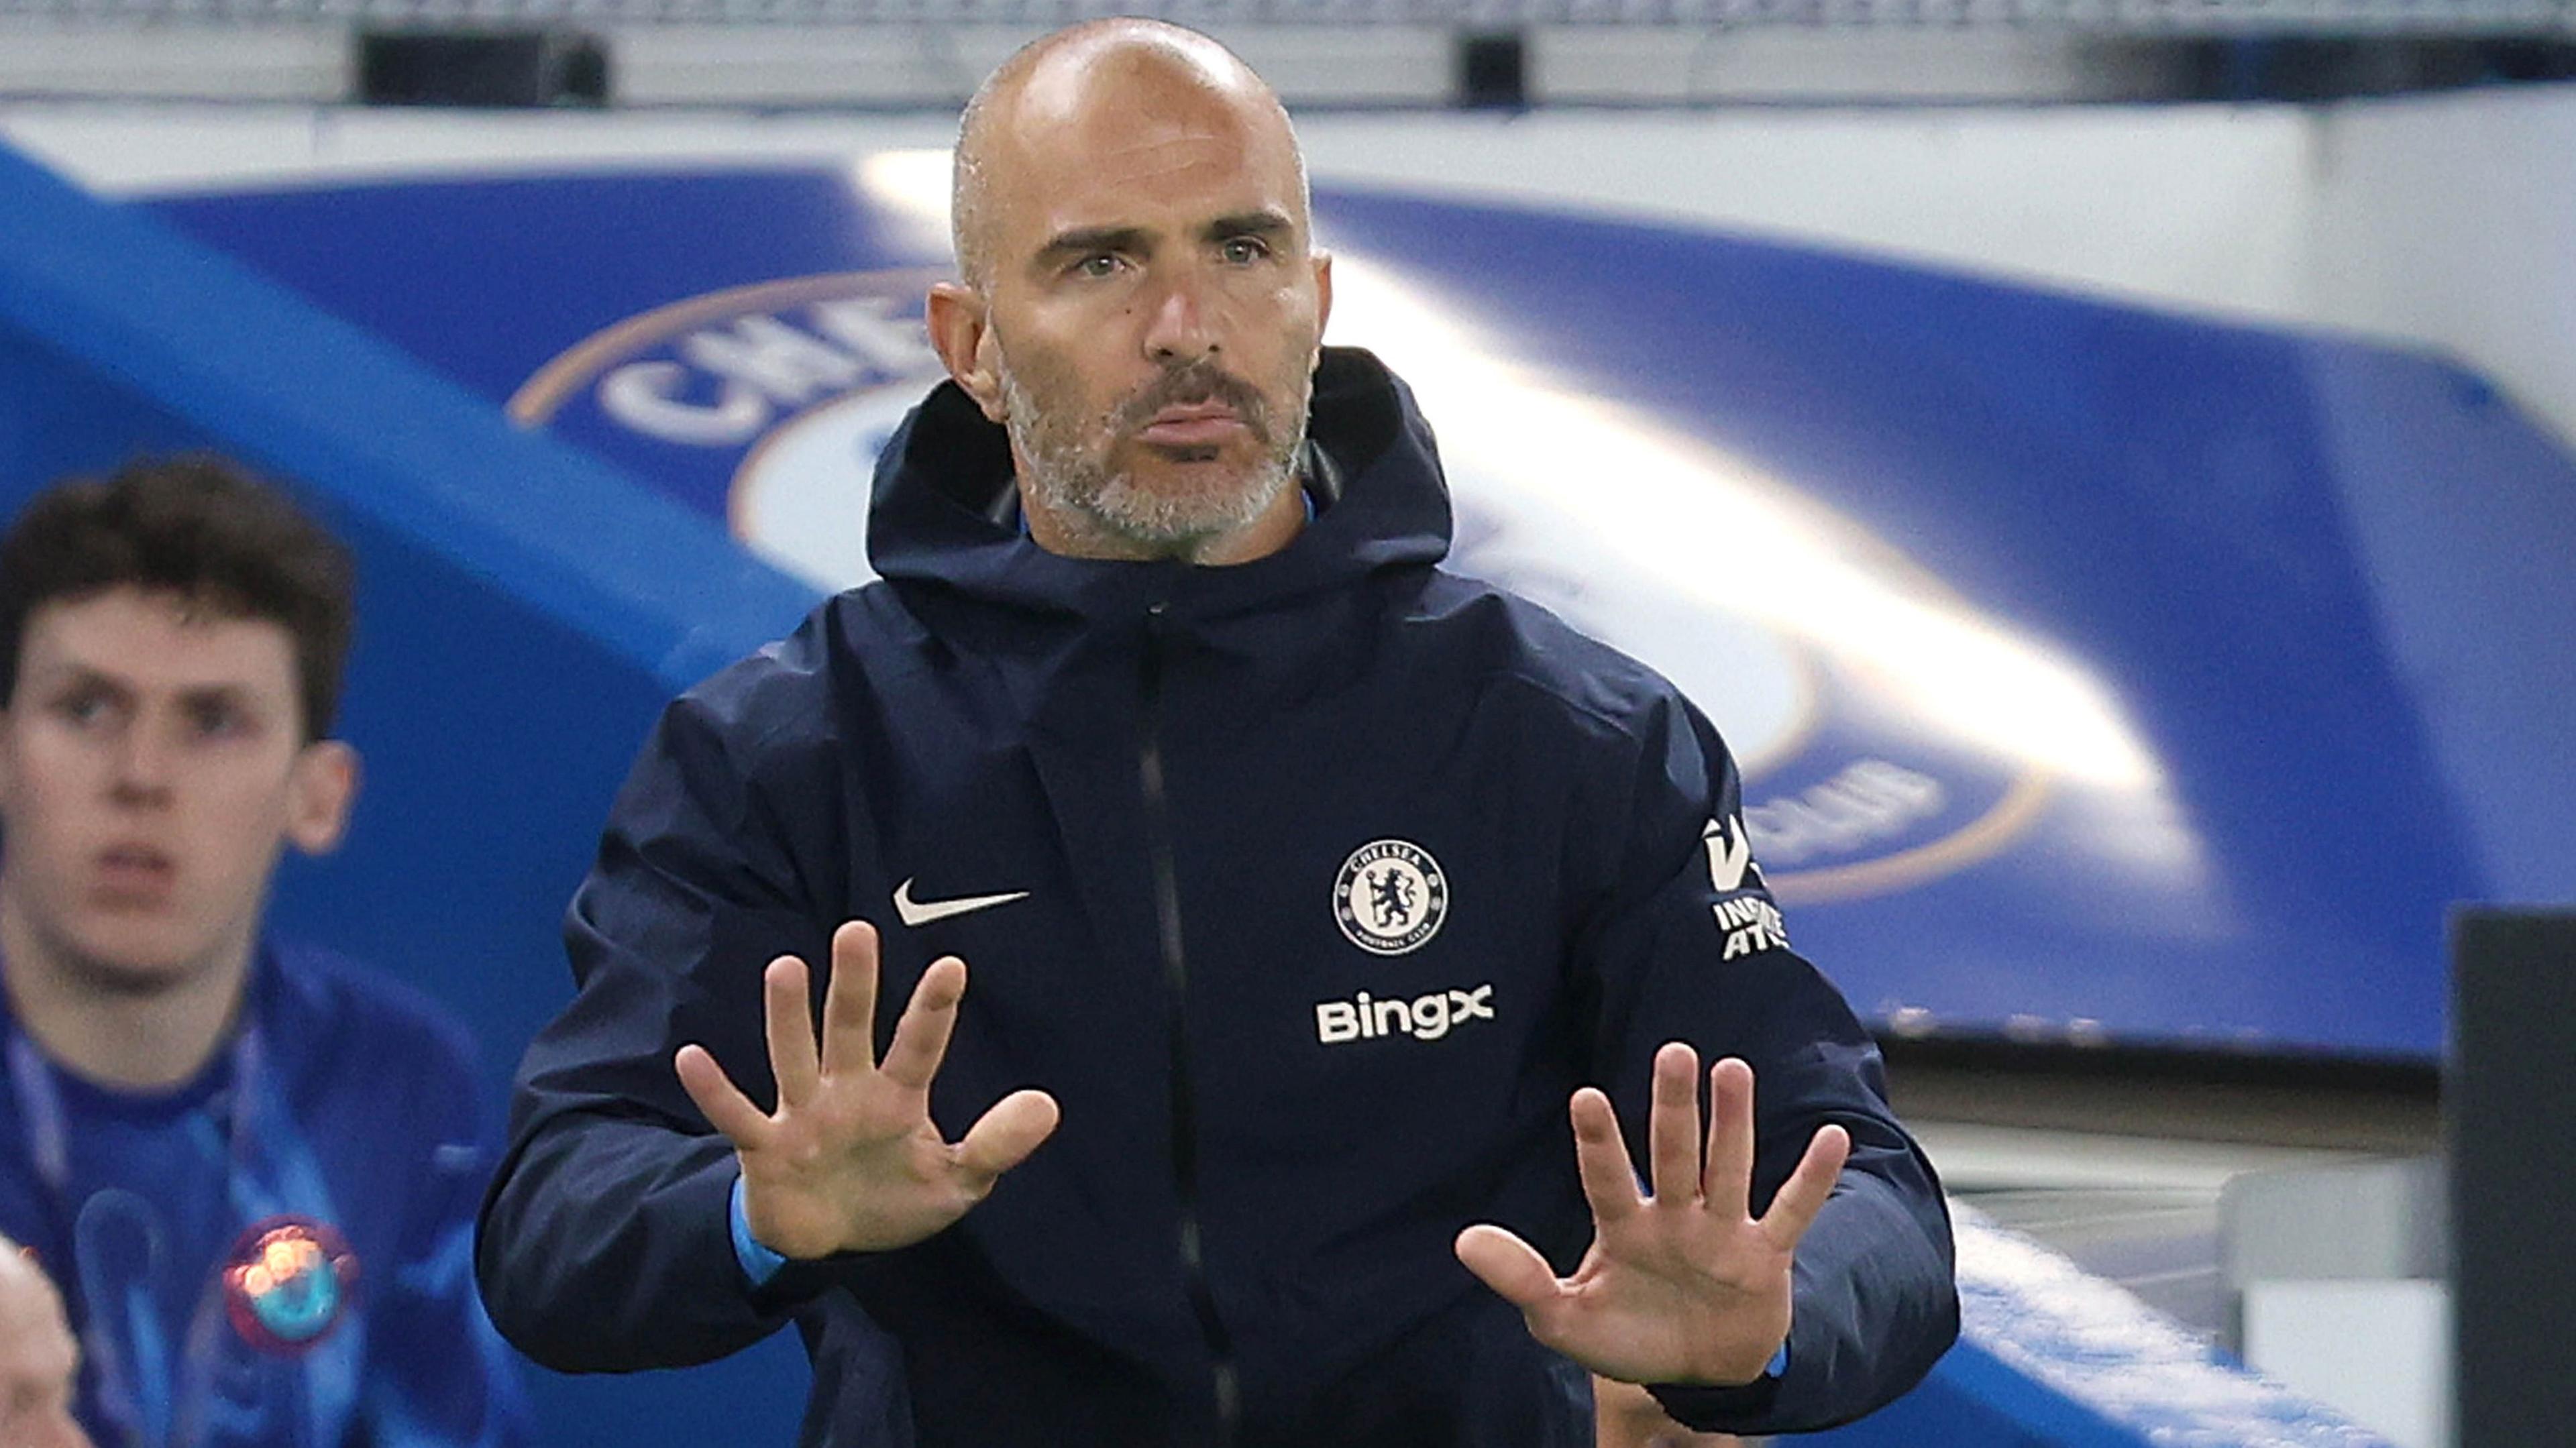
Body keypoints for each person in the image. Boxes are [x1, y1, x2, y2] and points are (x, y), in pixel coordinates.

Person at [476, 19, 1958, 1447]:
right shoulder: (793, 755)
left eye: (1240, 251)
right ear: (973, 347)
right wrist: (757, 1218)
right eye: (1103, 262)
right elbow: (553, 1221)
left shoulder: (1571, 742)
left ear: (1313, 297)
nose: (1187, 331)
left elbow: (1873, 1200)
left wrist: (1770, 1329)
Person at [0, 457, 529, 1448]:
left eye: (213, 722)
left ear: (318, 796)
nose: (141, 777)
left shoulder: (398, 1082)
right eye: (86, 708)